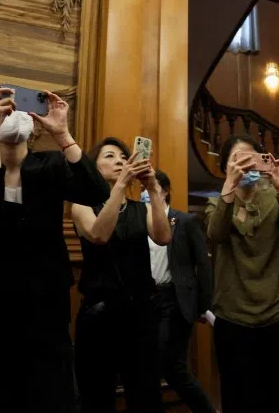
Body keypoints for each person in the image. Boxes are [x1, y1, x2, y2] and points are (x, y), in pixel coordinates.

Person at [0, 86, 110, 413]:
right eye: (4, 108)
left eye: (20, 108)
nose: (14, 114)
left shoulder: (49, 166)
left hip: (43, 306)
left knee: (44, 393)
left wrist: (63, 134)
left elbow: (95, 191)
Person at [205, 135, 279, 413]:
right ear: (225, 167)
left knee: (275, 398)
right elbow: (215, 234)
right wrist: (229, 187)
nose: (244, 165)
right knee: (236, 400)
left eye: (250, 158)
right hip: (233, 318)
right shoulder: (217, 203)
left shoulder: (273, 198)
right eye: (236, 160)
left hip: (278, 314)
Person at [71, 137, 172, 413]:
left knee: (146, 395)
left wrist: (151, 188)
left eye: (122, 156)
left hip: (140, 314)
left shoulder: (143, 208)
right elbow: (99, 235)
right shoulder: (81, 206)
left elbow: (164, 237)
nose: (119, 160)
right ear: (94, 167)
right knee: (97, 396)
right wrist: (119, 187)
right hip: (99, 316)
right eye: (109, 156)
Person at [150, 170, 215, 413]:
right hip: (147, 301)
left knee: (171, 364)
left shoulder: (184, 221)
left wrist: (203, 305)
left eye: (152, 187)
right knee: (152, 367)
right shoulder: (139, 219)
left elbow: (203, 264)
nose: (146, 192)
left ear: (165, 191)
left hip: (175, 300)